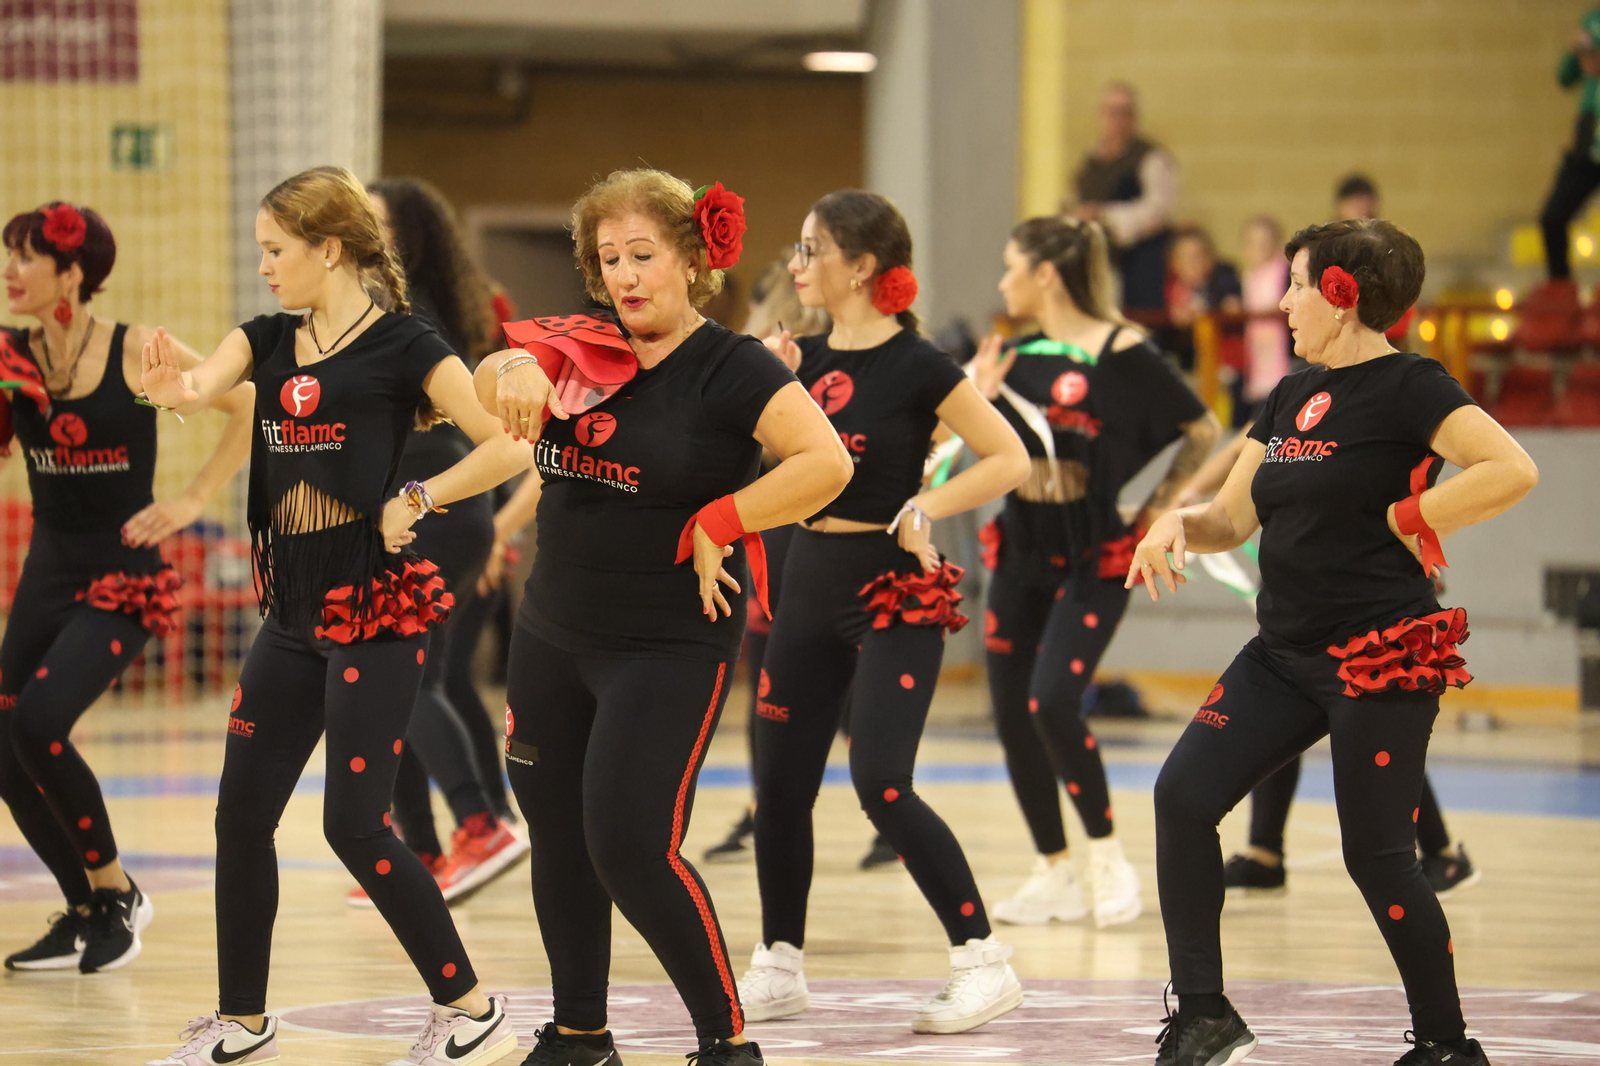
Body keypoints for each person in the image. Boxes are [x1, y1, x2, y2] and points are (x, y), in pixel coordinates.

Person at [140, 166, 529, 1066]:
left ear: (331, 248)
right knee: (241, 819)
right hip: (291, 612)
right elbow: (203, 389)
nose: (266, 266)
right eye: (262, 250)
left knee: (353, 826)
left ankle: (469, 1009)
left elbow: (507, 444)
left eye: (278, 250)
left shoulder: (405, 344)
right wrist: (172, 390)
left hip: (372, 606)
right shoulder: (266, 338)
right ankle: (241, 1022)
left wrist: (423, 495)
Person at [1130, 217, 1537, 1066]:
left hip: (1378, 652)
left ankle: (1446, 1045)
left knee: (1379, 858)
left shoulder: (1413, 386)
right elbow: (1233, 518)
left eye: (1300, 284)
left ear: (1343, 297)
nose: (1283, 301)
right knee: (1182, 799)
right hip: (1281, 652)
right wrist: (1177, 523)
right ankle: (1204, 1014)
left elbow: (1510, 469)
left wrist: (1410, 515)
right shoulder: (1288, 396)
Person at [484, 168, 853, 1066]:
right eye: (609, 258)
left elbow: (826, 463)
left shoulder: (733, 369)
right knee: (560, 840)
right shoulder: (576, 348)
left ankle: (726, 1045)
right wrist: (514, 365)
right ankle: (580, 1037)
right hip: (550, 633)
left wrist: (720, 520)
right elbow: (494, 368)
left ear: (692, 260)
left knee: (631, 843)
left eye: (643, 255)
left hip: (665, 645)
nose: (625, 275)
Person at [738, 190, 1032, 1035]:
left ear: (861, 266)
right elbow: (766, 461)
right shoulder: (800, 355)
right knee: (779, 786)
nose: (796, 265)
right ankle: (779, 964)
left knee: (882, 781)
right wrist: (772, 382)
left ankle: (983, 961)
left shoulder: (922, 365)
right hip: (808, 576)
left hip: (891, 588)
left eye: (810, 249)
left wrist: (929, 506)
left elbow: (1007, 456)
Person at [0, 203, 254, 974]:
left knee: (41, 721)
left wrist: (192, 501)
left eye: (24, 257)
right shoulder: (11, 352)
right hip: (48, 567)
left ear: (72, 273)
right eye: (7, 256)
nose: (9, 271)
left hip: (126, 571)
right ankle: (82, 909)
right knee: (3, 737)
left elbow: (244, 404)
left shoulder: (136, 351)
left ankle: (116, 895)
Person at [970, 217, 1218, 930]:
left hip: (1092, 556)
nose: (1003, 281)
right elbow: (965, 444)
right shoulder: (1010, 356)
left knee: (1053, 701)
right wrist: (979, 398)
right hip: (1019, 550)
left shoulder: (1123, 351)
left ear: (1046, 274)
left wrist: (1160, 511)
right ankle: (1053, 869)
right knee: (1012, 712)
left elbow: (1201, 429)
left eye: (1012, 265)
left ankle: (1106, 857)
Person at [358, 175, 527, 905]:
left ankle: (481, 824)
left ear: (407, 238)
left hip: (434, 509)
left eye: (372, 224)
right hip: (429, 510)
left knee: (407, 675)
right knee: (397, 677)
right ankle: (420, 849)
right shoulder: (396, 311)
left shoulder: (407, 317)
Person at [703, 258, 829, 865]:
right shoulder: (760, 345)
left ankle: (776, 801)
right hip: (770, 518)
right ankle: (765, 803)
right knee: (767, 665)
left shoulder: (816, 348)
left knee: (794, 669)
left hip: (800, 519)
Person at [1520, 8, 1600, 350]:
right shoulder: (1591, 18)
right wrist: (1577, 51)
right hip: (1588, 137)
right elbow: (1566, 76)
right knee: (1552, 217)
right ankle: (1560, 294)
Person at [1070, 81, 1178, 313]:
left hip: (1141, 262)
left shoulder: (1150, 158)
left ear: (1134, 117)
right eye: (1110, 112)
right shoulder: (1090, 162)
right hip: (1099, 259)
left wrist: (1105, 215)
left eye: (1123, 113)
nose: (1116, 119)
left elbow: (1159, 209)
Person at [1158, 224, 1243, 374]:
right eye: (1186, 257)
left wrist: (1208, 310)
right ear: (1174, 262)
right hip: (1187, 367)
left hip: (1226, 368)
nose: (1193, 263)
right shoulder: (1166, 290)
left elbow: (1231, 304)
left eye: (1199, 255)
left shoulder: (1224, 278)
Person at [1239, 215, 1292, 421]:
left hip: (1283, 353)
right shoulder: (1247, 276)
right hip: (1256, 353)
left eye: (1265, 242)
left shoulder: (1285, 272)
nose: (1259, 248)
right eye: (1253, 243)